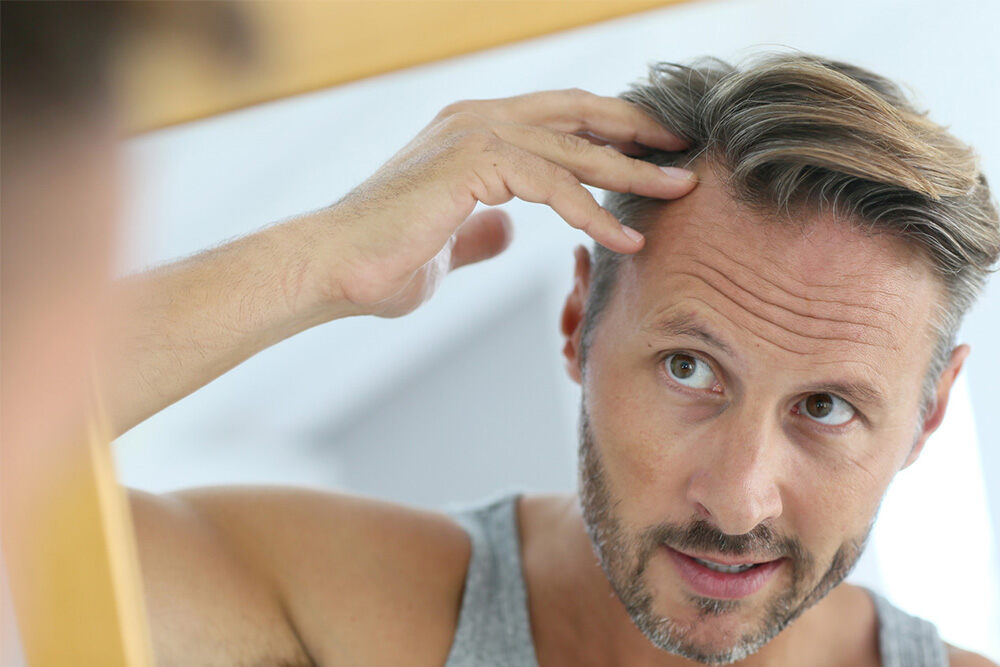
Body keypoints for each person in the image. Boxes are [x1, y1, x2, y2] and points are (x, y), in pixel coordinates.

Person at [3, 6, 998, 667]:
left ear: (926, 414)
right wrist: (317, 261)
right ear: (577, 322)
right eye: (690, 368)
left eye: (825, 407)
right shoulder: (341, 611)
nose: (736, 499)